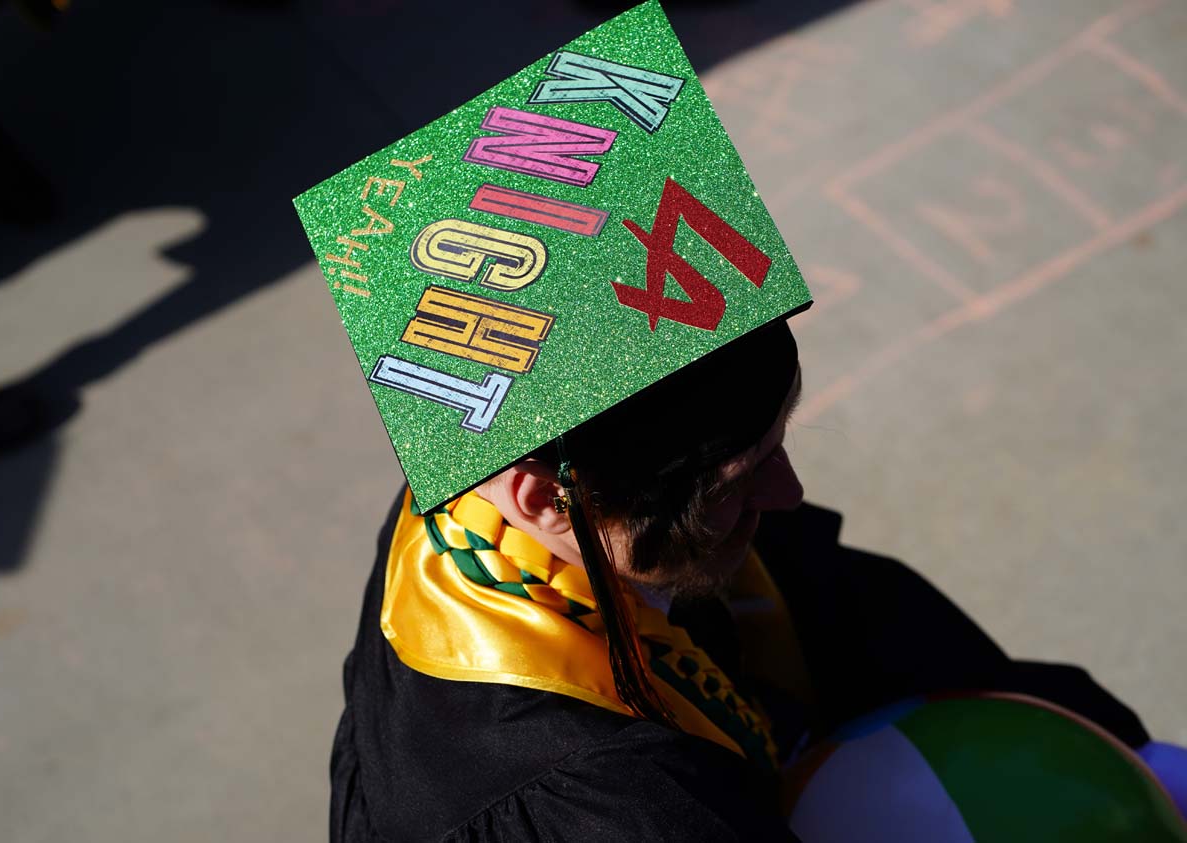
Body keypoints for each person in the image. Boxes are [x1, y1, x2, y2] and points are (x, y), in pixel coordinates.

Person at [328, 318, 1159, 841]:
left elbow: (853, 608)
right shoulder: (596, 803)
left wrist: (1113, 743)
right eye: (732, 481)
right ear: (546, 500)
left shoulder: (485, 480)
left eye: (777, 444)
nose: (789, 494)